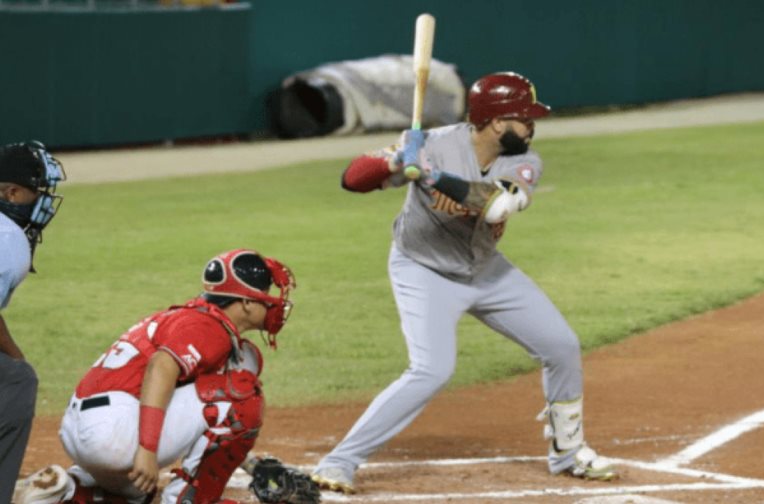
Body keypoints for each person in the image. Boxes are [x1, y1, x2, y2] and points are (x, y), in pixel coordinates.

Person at [311, 72, 618, 494]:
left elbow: (498, 205)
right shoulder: (430, 144)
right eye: (524, 119)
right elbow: (352, 179)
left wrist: (436, 179)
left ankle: (568, 453)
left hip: (487, 271)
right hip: (423, 270)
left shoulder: (522, 160)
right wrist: (395, 161)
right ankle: (340, 461)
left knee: (561, 346)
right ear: (496, 122)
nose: (532, 127)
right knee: (432, 370)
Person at [16, 249, 298, 504]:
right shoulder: (210, 328)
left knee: (139, 493)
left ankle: (68, 490)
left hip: (83, 429)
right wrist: (147, 450)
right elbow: (161, 367)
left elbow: (206, 419)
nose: (274, 303)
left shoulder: (190, 318)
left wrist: (251, 464)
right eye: (267, 295)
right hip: (114, 431)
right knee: (243, 391)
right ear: (247, 303)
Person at [0, 141, 66, 503]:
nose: (43, 201)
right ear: (11, 192)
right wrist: (17, 356)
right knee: (18, 379)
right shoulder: (8, 237)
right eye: (36, 192)